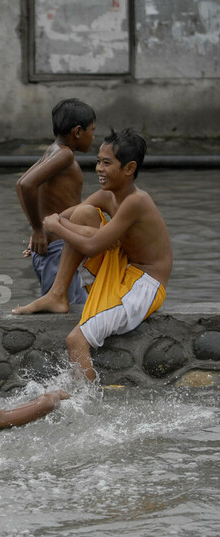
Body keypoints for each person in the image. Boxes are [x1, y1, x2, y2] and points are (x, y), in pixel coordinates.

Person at [13, 128, 172, 382]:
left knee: (76, 339)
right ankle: (57, 295)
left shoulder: (137, 201)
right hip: (121, 268)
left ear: (129, 168)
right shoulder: (107, 195)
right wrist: (41, 234)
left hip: (144, 283)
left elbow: (89, 246)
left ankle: (87, 407)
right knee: (83, 215)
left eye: (107, 163)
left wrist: (57, 227)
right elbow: (65, 216)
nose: (99, 168)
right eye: (98, 161)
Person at [16, 98, 96, 304]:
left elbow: (20, 184)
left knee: (74, 307)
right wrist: (37, 230)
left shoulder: (52, 150)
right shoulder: (65, 156)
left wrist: (38, 229)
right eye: (92, 131)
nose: (93, 137)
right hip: (58, 252)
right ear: (78, 132)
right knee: (63, 312)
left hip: (55, 248)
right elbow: (26, 185)